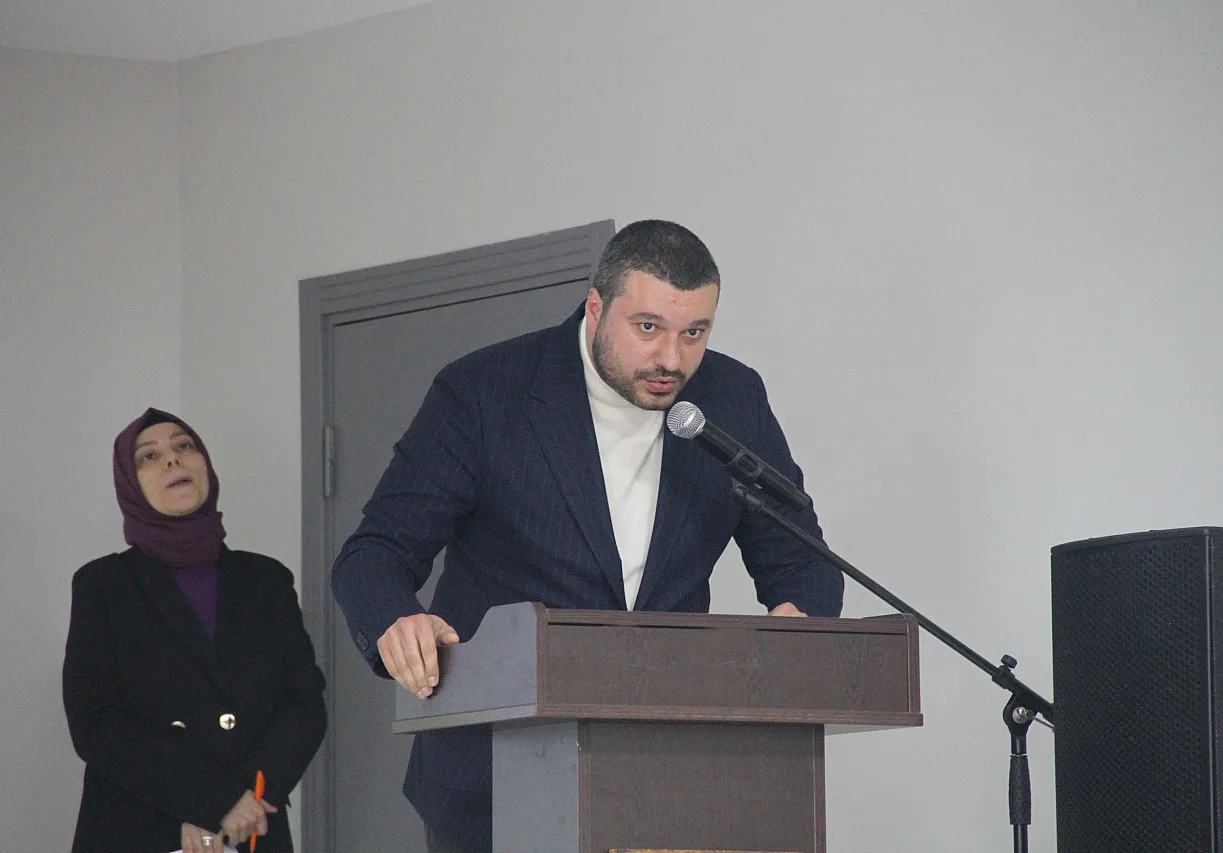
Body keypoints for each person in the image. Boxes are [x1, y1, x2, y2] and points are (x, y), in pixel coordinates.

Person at [331, 219, 844, 853]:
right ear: (596, 307)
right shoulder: (485, 391)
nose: (672, 359)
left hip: (672, 776)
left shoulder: (733, 397)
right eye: (648, 327)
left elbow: (803, 559)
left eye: (695, 332)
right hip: (494, 776)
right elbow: (375, 552)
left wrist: (800, 627)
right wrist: (396, 620)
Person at [63, 409, 328, 853]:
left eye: (184, 446)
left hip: (251, 828)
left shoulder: (266, 579)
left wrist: (243, 804)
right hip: (139, 830)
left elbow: (303, 705)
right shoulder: (103, 586)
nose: (173, 460)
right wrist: (212, 802)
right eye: (149, 456)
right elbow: (97, 724)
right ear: (129, 483)